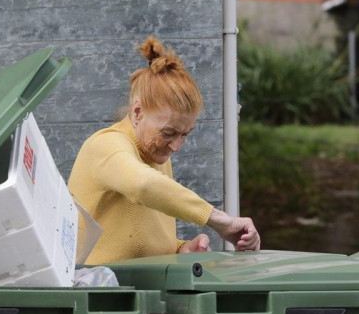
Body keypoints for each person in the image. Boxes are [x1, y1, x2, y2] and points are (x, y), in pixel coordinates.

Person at [68, 37, 261, 264]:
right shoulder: (106, 145)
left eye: (185, 135)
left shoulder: (155, 153)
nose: (176, 146)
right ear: (138, 111)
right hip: (95, 290)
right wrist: (219, 219)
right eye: (169, 133)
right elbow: (142, 185)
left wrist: (180, 249)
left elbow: (141, 237)